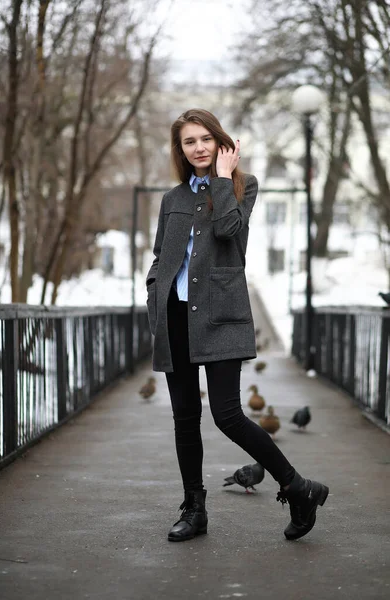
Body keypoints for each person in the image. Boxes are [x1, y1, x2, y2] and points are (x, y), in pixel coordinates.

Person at [146, 108, 328, 543]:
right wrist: (155, 291)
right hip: (174, 315)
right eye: (189, 142)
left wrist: (223, 179)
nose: (199, 148)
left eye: (206, 138)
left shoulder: (244, 187)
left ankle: (296, 486)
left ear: (221, 141)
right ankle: (195, 508)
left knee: (227, 415)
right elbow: (160, 255)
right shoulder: (172, 199)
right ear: (181, 150)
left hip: (220, 316)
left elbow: (229, 231)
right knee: (185, 418)